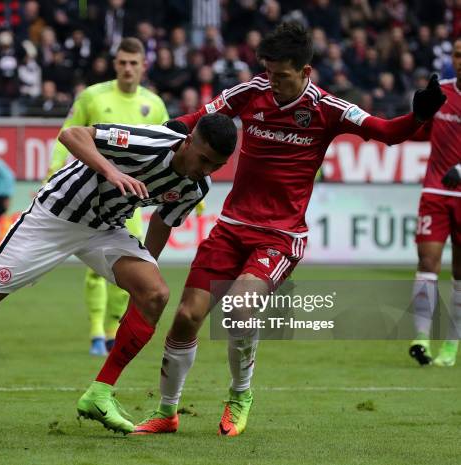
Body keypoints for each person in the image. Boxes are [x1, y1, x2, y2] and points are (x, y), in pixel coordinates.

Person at [131, 22, 447, 437]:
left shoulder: (329, 109)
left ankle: (240, 395)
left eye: (282, 76)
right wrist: (167, 131)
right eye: (269, 73)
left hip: (280, 236)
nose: (273, 83)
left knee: (241, 308)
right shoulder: (251, 92)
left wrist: (418, 115)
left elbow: (385, 133)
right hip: (231, 227)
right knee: (187, 317)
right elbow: (198, 118)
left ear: (305, 72)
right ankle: (167, 412)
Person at [0, 113, 238, 437]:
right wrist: (111, 170)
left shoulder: (195, 186)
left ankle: (100, 393)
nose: (205, 171)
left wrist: (143, 274)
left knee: (155, 293)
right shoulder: (147, 141)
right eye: (203, 159)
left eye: (214, 167)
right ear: (189, 141)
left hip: (104, 229)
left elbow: (162, 222)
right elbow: (71, 134)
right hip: (54, 217)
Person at [47, 37, 169, 356]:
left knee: (130, 269)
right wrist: (52, 172)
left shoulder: (154, 104)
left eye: (133, 63)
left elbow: (171, 147)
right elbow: (67, 134)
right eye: (122, 62)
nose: (127, 68)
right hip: (93, 194)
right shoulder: (93, 96)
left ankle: (114, 329)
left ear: (144, 66)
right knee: (94, 269)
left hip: (133, 199)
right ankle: (95, 333)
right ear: (115, 64)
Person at [409, 37, 461, 367]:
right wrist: (417, 111)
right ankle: (421, 339)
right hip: (435, 193)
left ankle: (452, 347)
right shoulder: (441, 93)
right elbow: (417, 131)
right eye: (457, 54)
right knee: (428, 264)